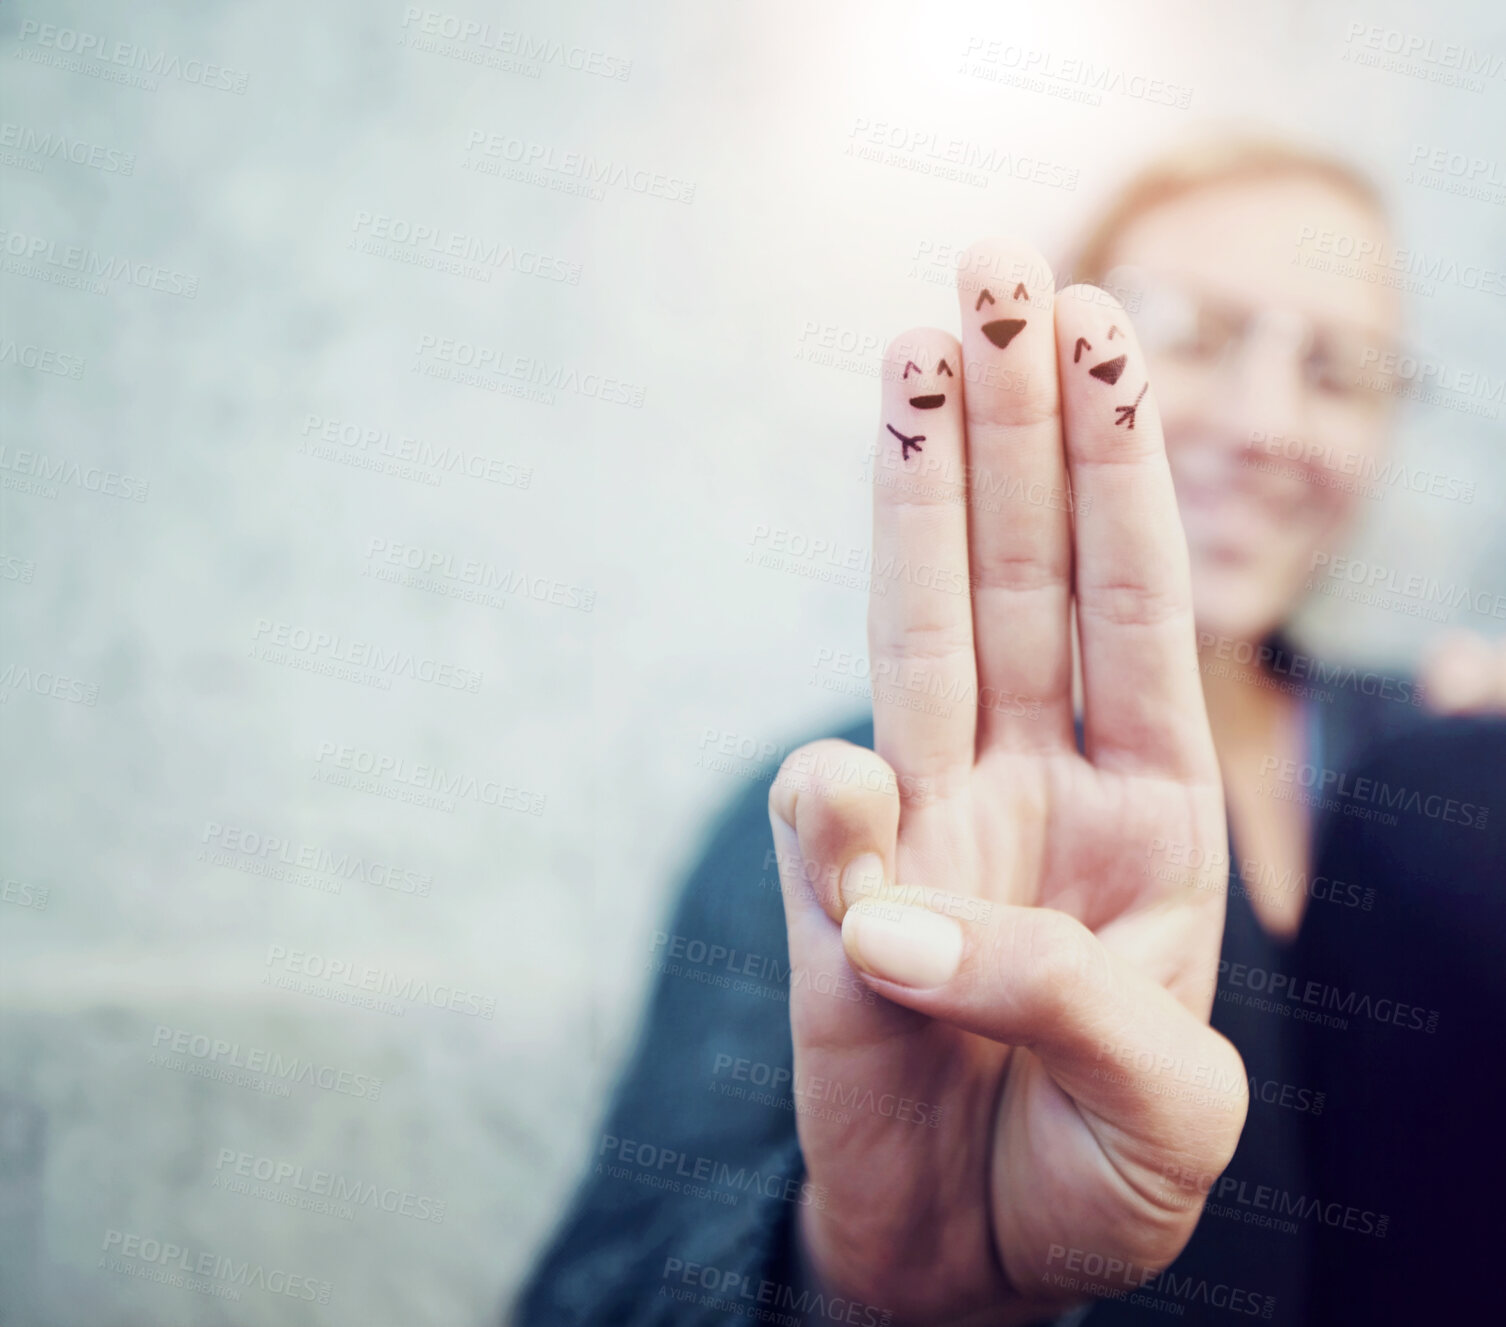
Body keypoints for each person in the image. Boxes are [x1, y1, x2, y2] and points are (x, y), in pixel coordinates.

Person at [514, 138, 1506, 1326]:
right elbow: (594, 1293)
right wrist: (854, 1281)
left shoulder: (1446, 770)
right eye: (1190, 334)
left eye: (1341, 372)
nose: (1267, 425)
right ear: (1044, 376)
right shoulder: (867, 813)